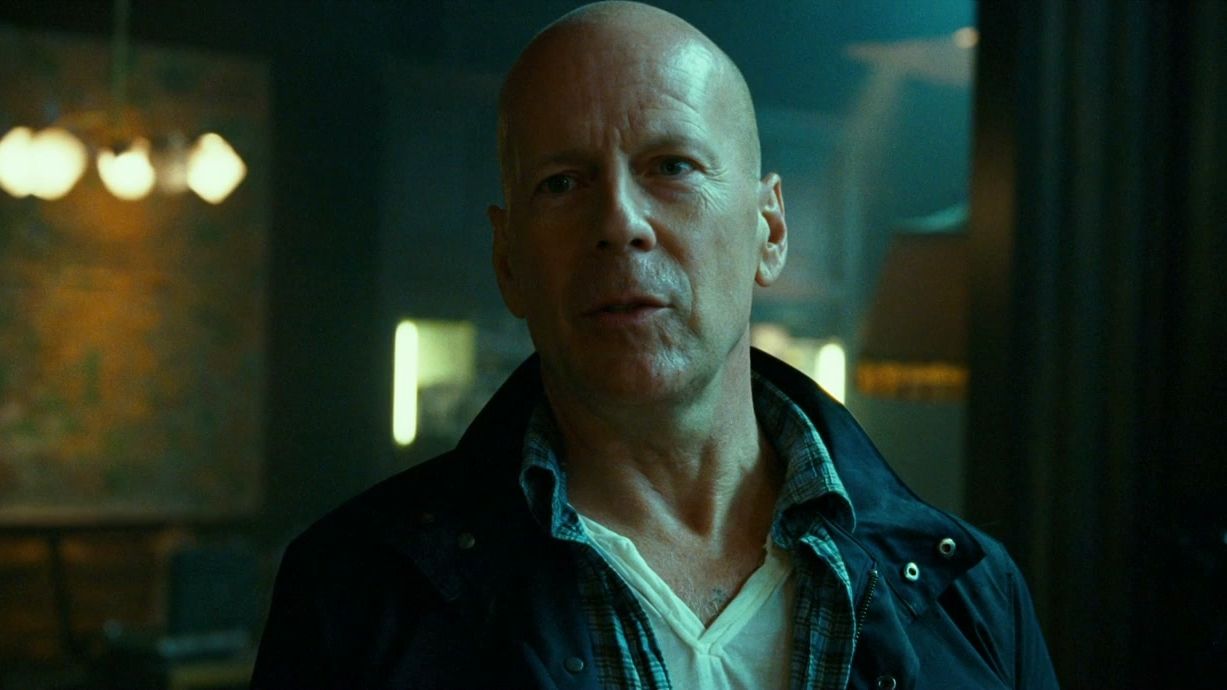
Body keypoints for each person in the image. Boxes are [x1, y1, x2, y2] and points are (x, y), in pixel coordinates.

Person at [251, 2, 1059, 688]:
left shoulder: (969, 593)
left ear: (769, 229)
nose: (619, 223)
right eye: (561, 183)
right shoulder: (354, 595)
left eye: (671, 167)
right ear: (508, 261)